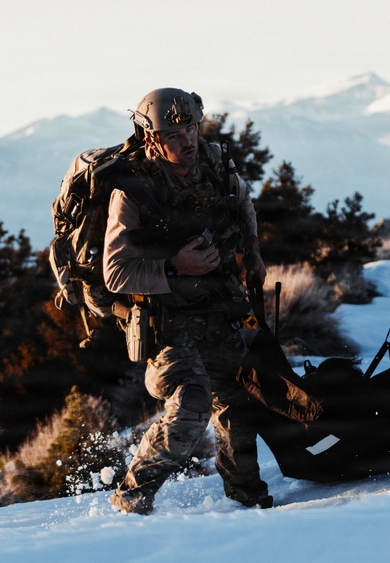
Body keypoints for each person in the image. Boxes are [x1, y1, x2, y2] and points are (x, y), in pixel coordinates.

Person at [103, 87, 271, 514]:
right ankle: (130, 497)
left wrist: (252, 251)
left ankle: (245, 499)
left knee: (237, 399)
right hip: (166, 320)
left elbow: (243, 201)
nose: (188, 141)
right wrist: (175, 267)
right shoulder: (133, 190)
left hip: (218, 308)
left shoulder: (214, 163)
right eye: (174, 135)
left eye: (192, 129)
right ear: (152, 139)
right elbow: (115, 272)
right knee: (192, 404)